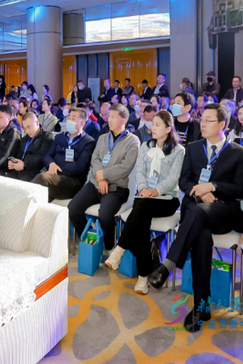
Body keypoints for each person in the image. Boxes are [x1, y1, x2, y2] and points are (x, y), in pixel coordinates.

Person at [147, 103, 243, 332]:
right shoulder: (193, 148)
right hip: (196, 208)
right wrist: (199, 192)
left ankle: (167, 265)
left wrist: (212, 187)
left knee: (198, 214)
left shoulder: (238, 152)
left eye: (208, 120)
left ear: (222, 124)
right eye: (201, 119)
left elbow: (240, 190)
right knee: (201, 236)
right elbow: (184, 181)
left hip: (224, 211)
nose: (202, 124)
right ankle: (202, 306)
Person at [105, 110, 185, 294]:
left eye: (157, 125)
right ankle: (143, 276)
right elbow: (140, 171)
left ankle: (120, 249)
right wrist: (143, 188)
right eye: (152, 124)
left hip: (167, 199)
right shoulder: (146, 146)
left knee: (141, 208)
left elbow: (174, 178)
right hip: (144, 197)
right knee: (142, 220)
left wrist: (155, 191)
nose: (152, 128)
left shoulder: (179, 151)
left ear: (168, 128)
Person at [68, 104, 139, 250]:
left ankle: (108, 246)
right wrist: (100, 178)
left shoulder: (133, 141)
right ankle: (91, 241)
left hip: (116, 188)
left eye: (113, 117)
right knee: (73, 209)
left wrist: (104, 175)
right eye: (109, 116)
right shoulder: (102, 138)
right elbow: (95, 159)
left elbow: (125, 167)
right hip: (95, 184)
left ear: (123, 120)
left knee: (105, 215)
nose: (109, 120)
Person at [32, 107, 96, 201]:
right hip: (55, 177)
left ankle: (20, 205)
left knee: (43, 178)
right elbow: (48, 156)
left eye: (73, 118)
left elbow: (80, 166)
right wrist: (51, 164)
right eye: (69, 118)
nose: (69, 121)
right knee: (40, 192)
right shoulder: (60, 137)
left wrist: (57, 170)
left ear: (82, 123)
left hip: (73, 181)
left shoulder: (88, 142)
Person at [7, 111, 55, 181]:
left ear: (37, 123)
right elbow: (19, 155)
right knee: (4, 180)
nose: (27, 131)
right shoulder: (25, 139)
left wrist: (24, 165)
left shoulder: (47, 137)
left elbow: (41, 159)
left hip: (34, 172)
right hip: (20, 170)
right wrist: (14, 163)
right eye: (25, 128)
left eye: (29, 127)